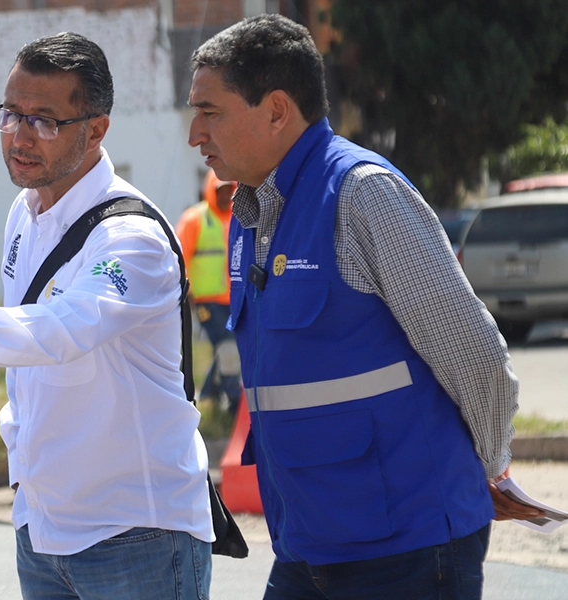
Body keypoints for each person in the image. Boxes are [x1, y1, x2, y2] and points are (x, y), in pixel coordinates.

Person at [187, 14, 544, 600]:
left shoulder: (361, 195)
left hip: (406, 549)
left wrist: (491, 467)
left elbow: (474, 355)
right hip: (307, 544)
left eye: (210, 111)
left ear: (277, 109)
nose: (195, 134)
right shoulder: (250, 214)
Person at [0, 32, 213, 599]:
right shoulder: (24, 214)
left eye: (45, 121)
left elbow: (61, 329)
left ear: (95, 128)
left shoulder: (132, 237)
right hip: (44, 532)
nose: (20, 137)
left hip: (137, 532)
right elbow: (26, 357)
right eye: (11, 115)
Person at [176, 169, 242, 414]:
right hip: (204, 300)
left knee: (227, 346)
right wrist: (186, 292)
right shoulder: (195, 219)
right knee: (227, 346)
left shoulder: (237, 217)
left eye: (230, 189)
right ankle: (234, 401)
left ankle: (209, 398)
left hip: (233, 299)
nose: (226, 195)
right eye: (221, 190)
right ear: (210, 191)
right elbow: (179, 258)